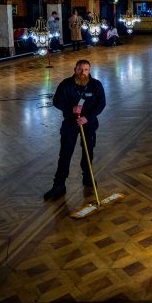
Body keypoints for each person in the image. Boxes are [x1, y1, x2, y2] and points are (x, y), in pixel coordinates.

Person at [44, 59, 107, 200]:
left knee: (88, 151)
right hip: (70, 124)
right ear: (75, 70)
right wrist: (70, 108)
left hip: (88, 123)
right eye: (80, 69)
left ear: (89, 71)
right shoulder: (66, 84)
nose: (83, 72)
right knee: (65, 153)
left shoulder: (96, 85)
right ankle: (59, 184)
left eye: (86, 70)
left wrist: (87, 117)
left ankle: (87, 176)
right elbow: (57, 101)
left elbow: (101, 104)